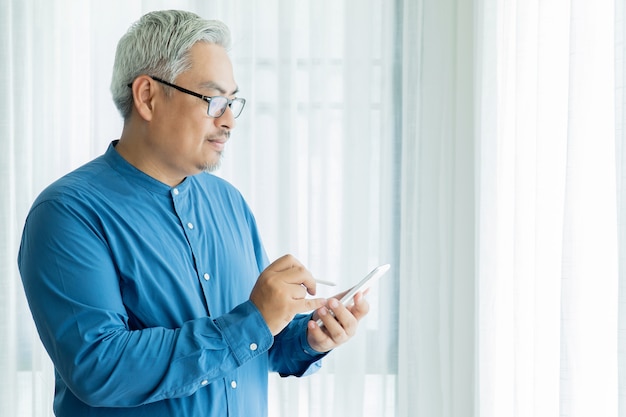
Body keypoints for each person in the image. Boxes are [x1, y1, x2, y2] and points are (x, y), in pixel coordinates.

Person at [17, 9, 369, 417]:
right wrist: (254, 321)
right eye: (213, 100)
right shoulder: (68, 214)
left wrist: (309, 338)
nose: (228, 121)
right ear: (147, 96)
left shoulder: (228, 202)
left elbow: (252, 346)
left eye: (233, 102)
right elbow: (99, 366)